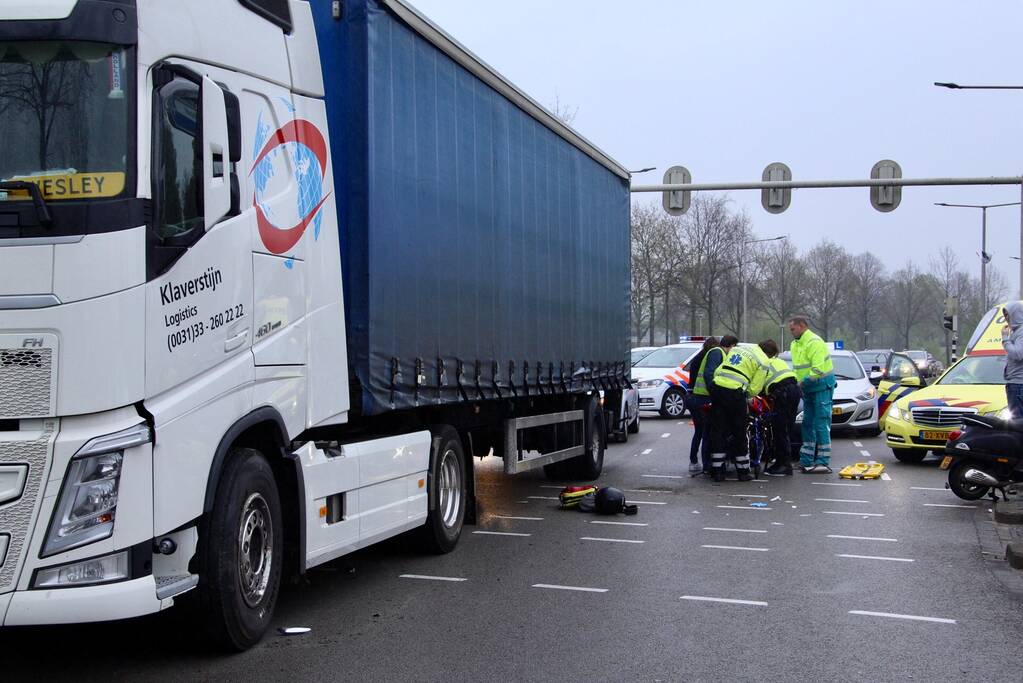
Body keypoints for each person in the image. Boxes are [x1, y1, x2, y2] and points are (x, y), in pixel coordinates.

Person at [709, 337, 770, 482]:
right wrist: (746, 395)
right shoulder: (764, 361)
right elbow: (755, 388)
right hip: (735, 394)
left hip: (717, 389)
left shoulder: (737, 348)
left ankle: (717, 472)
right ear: (769, 354)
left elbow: (718, 370)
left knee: (718, 431)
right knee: (739, 432)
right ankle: (742, 472)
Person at [789, 315, 836, 473]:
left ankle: (823, 461)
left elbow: (817, 370)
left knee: (821, 423)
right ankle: (806, 460)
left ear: (802, 326)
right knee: (807, 423)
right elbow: (798, 369)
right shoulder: (796, 344)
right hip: (809, 389)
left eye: (793, 329)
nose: (791, 332)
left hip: (821, 387)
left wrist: (801, 383)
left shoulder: (814, 342)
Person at [758, 340, 801, 476]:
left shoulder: (764, 363)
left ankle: (784, 465)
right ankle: (781, 462)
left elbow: (758, 385)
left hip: (783, 394)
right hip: (794, 391)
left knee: (779, 430)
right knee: (786, 429)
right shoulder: (779, 361)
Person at [685, 337, 720, 474]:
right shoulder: (710, 358)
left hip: (692, 396)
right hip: (701, 397)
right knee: (706, 432)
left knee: (698, 431)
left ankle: (693, 461)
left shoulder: (698, 357)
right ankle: (706, 464)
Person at [1001, 302, 1023, 417]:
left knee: (1017, 424)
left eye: (1008, 315)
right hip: (1015, 384)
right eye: (1005, 316)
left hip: (1018, 385)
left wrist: (1005, 339)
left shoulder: (1021, 332)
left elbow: (1018, 354)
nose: (1006, 319)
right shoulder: (1016, 332)